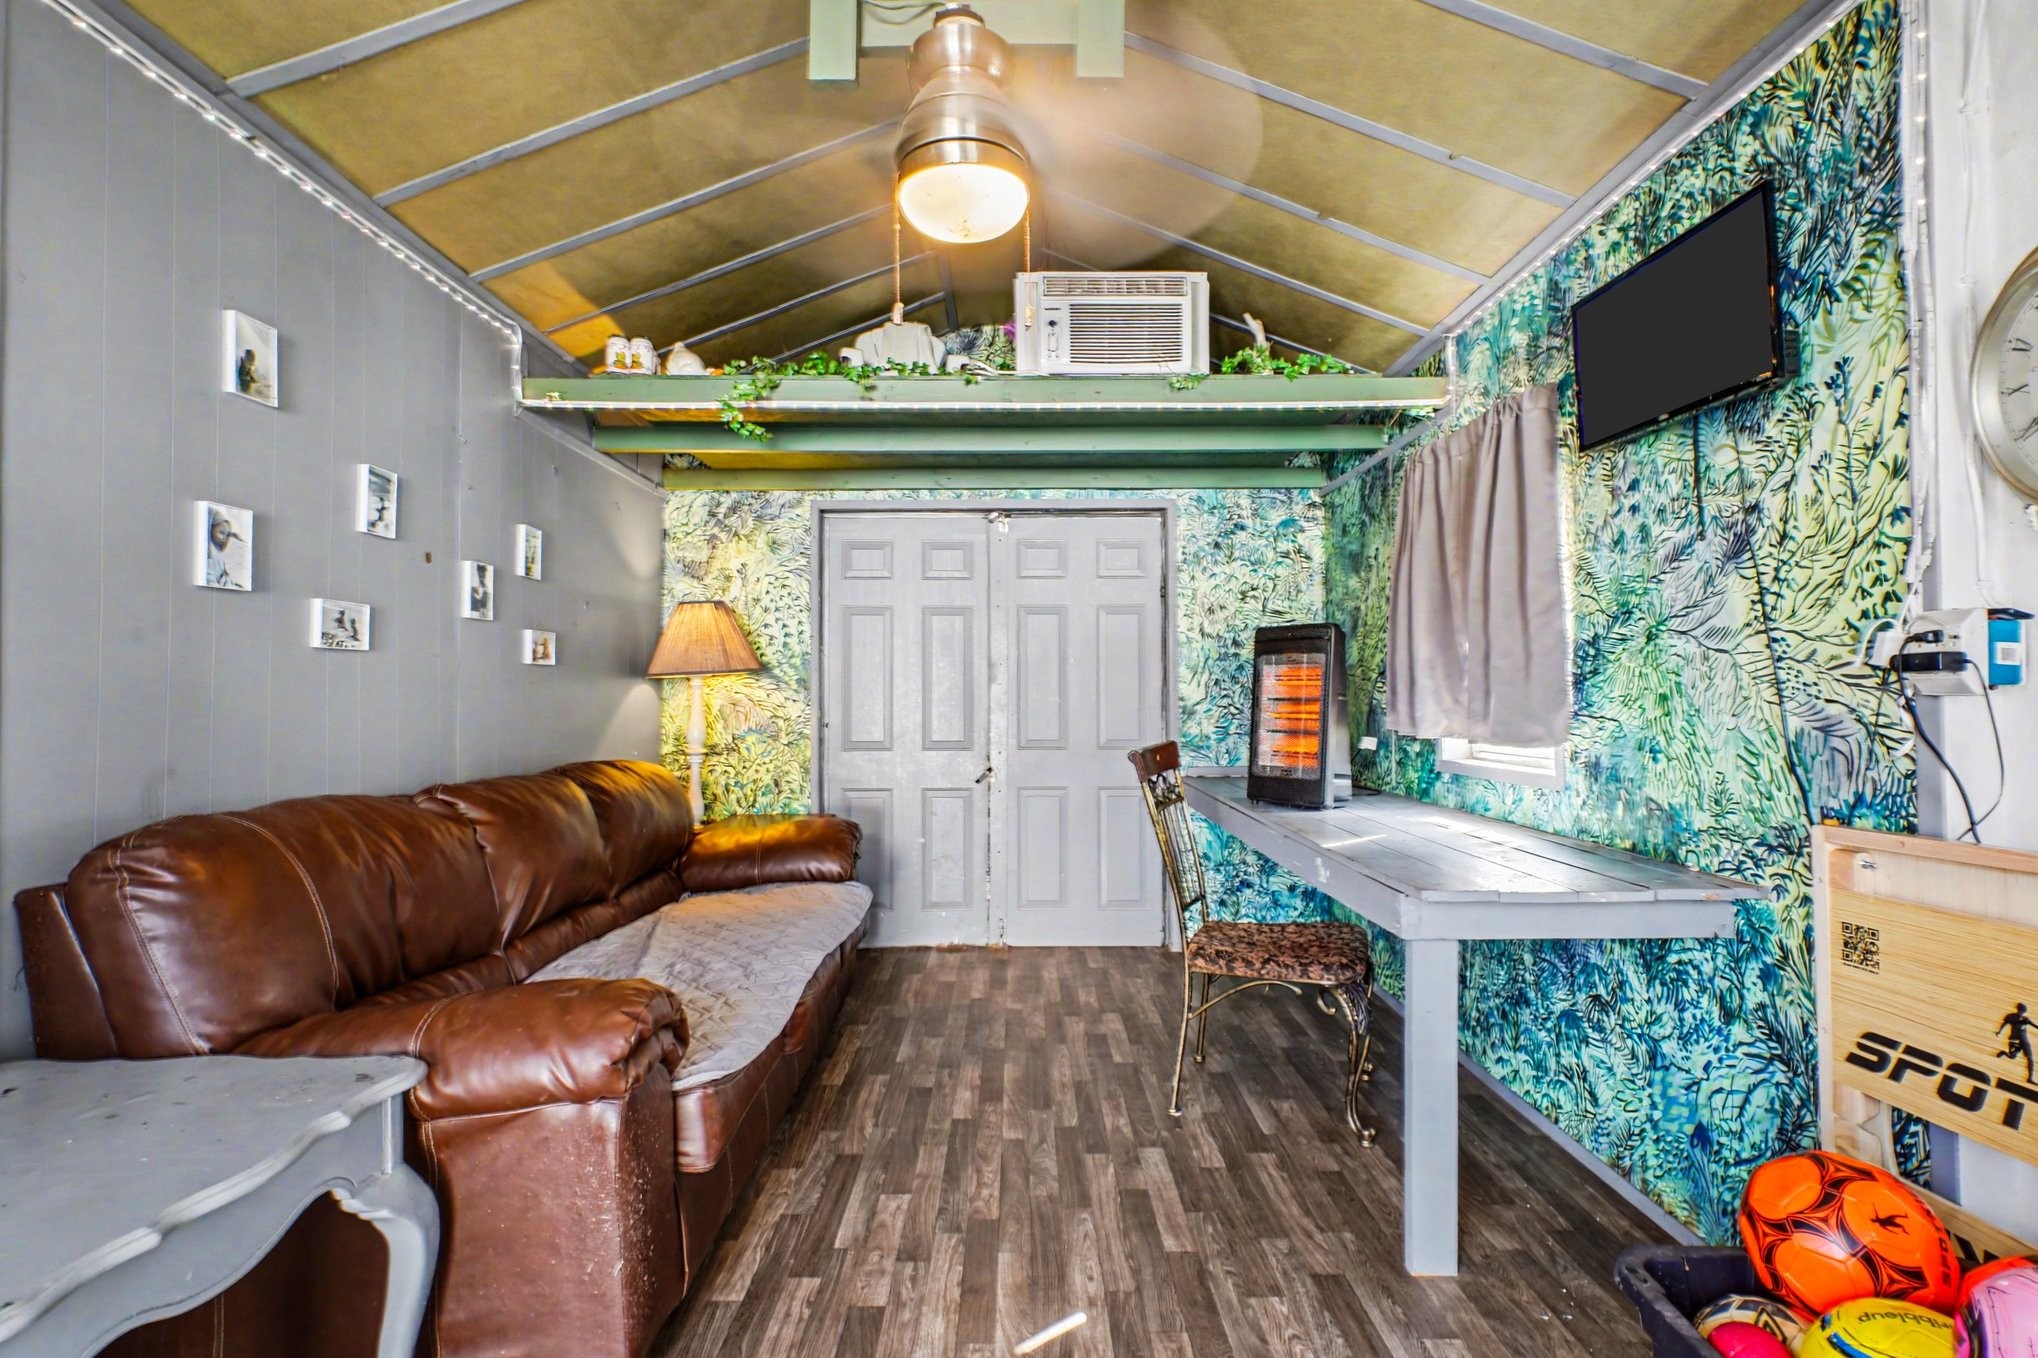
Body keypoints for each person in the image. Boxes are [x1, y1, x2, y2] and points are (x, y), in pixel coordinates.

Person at [205, 508, 244, 589]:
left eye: (226, 535)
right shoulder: (209, 549)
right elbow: (209, 574)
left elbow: (223, 571)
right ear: (211, 527)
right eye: (221, 532)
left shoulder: (218, 549)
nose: (224, 538)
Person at [2001, 1002, 2035, 1082]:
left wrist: (1999, 1032)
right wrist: (1999, 1031)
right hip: (2016, 1040)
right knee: (2014, 1057)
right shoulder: (2013, 1017)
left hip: (2022, 1040)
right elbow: (2005, 1024)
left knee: (2029, 1058)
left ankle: (2030, 1078)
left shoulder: (2024, 1019)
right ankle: (2003, 1053)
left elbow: (2004, 1024)